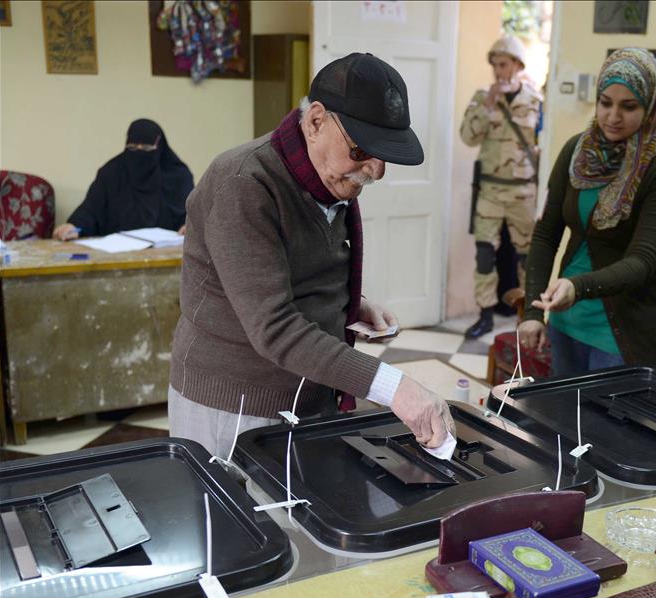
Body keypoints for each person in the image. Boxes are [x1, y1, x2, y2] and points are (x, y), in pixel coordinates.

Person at [167, 53, 452, 457]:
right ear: (316, 121)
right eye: (362, 151)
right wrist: (396, 389)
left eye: (384, 155)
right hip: (236, 403)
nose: (376, 171)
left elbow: (295, 269)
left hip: (310, 393)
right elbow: (275, 326)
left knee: (299, 518)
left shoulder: (328, 178)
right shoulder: (243, 184)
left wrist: (351, 305)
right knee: (236, 517)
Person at [519, 48, 656, 375]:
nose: (613, 116)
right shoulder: (577, 152)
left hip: (627, 328)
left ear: (651, 106)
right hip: (568, 317)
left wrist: (577, 287)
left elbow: (642, 262)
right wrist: (532, 312)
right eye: (605, 102)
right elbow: (545, 235)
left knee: (610, 425)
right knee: (561, 419)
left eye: (629, 106)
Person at [460, 34, 543, 338]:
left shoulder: (535, 102)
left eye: (503, 63)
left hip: (523, 192)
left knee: (527, 257)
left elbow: (544, 144)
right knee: (484, 255)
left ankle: (527, 315)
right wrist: (488, 105)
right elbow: (468, 137)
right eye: (494, 64)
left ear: (518, 65)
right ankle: (485, 317)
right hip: (491, 191)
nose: (498, 70)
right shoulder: (482, 98)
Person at [52, 119, 193, 240]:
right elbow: (91, 209)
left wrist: (189, 227)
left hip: (168, 255)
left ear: (160, 148)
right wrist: (74, 225)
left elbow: (189, 215)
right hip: (117, 254)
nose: (138, 153)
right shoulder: (112, 172)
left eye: (146, 148)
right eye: (132, 147)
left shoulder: (178, 176)